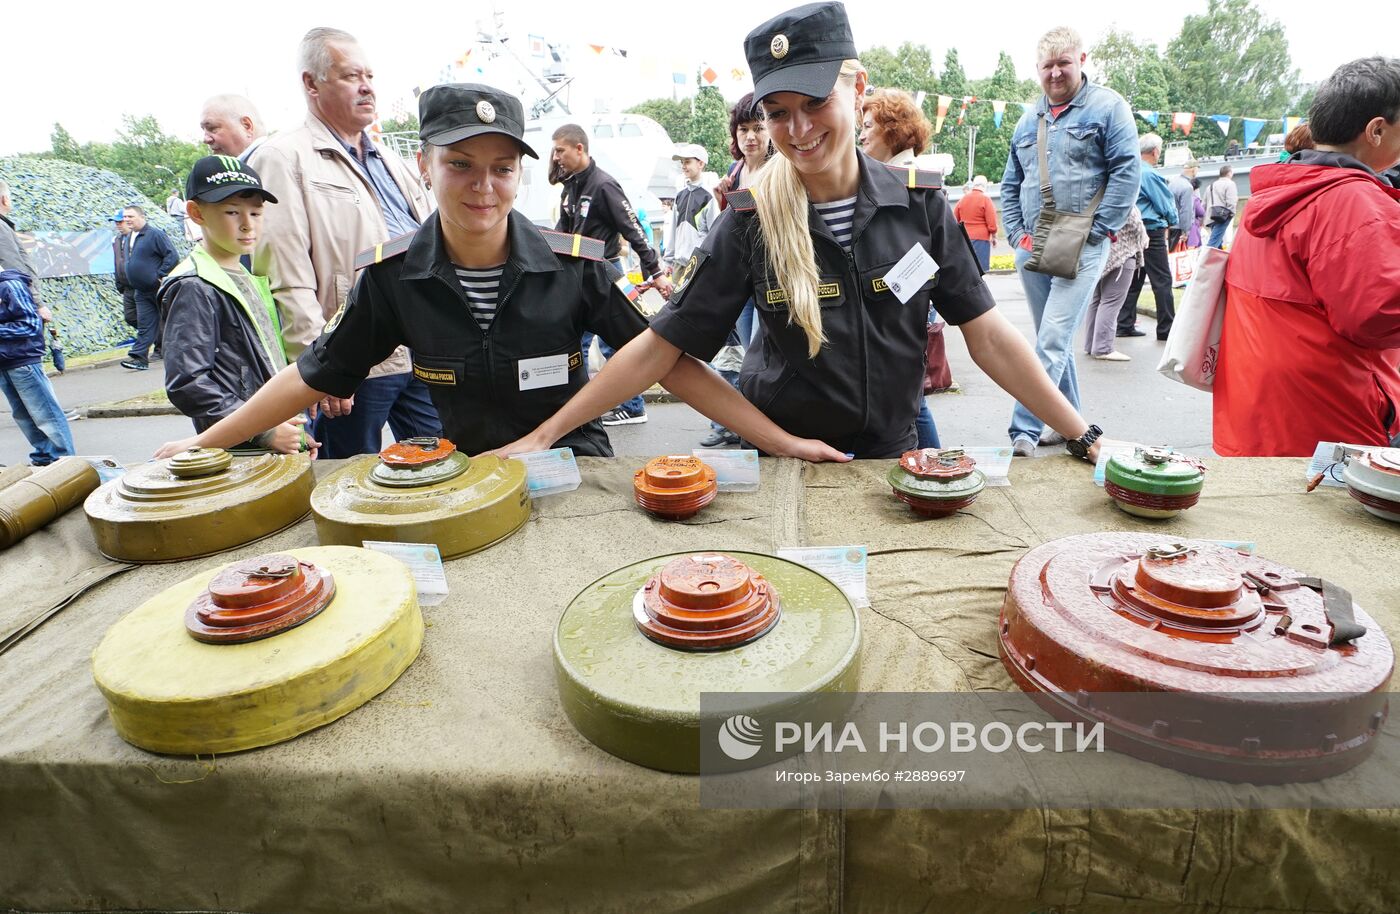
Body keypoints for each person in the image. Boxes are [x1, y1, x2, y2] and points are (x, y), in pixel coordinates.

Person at [489, 2, 1108, 466]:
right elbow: (663, 351)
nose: (798, 128)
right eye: (778, 112)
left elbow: (991, 338)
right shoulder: (750, 219)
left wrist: (1083, 435)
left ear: (857, 89)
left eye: (815, 103)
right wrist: (544, 437)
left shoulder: (918, 206)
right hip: (783, 460)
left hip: (894, 456)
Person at [154, 84, 701, 463]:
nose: (483, 187)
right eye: (459, 164)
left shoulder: (576, 267)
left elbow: (664, 356)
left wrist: (780, 440)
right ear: (424, 164)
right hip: (471, 472)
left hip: (576, 468)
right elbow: (313, 373)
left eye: (502, 169)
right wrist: (203, 444)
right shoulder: (393, 278)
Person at [249, 27, 440, 458]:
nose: (367, 86)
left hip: (419, 350)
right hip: (354, 358)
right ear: (311, 83)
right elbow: (286, 272)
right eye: (351, 76)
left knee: (439, 461)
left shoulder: (390, 159)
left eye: (369, 75)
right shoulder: (282, 157)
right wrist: (323, 368)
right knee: (345, 479)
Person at [1214, 56, 1400, 457]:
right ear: (1377, 130)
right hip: (1327, 422)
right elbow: (1376, 315)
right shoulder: (1354, 201)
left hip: (1260, 414)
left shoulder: (1276, 189)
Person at [1001, 26, 1138, 456]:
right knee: (1051, 340)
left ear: (1082, 60)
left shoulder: (1108, 107)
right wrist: (1018, 235)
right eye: (1048, 66)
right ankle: (1070, 424)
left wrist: (1097, 231)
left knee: (1052, 339)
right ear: (1037, 70)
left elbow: (1127, 172)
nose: (1056, 73)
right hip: (1033, 244)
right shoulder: (1028, 119)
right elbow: (1009, 185)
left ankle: (1023, 429)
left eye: (1064, 62)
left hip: (1082, 242)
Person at [158, 156, 308, 455]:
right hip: (240, 449)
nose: (247, 225)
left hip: (272, 437)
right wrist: (265, 431)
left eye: (256, 213)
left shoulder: (246, 276)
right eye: (231, 212)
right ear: (196, 213)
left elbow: (266, 359)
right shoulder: (193, 285)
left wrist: (295, 431)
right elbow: (187, 382)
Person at [553, 123, 674, 427]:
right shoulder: (571, 186)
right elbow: (562, 233)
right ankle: (575, 408)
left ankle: (632, 407)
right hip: (576, 275)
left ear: (579, 148)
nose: (555, 157)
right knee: (573, 343)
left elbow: (633, 231)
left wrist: (656, 272)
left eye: (560, 150)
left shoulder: (603, 185)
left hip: (605, 273)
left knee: (614, 343)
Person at [858, 86, 945, 449]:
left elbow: (927, 256)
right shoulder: (886, 174)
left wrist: (884, 291)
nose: (860, 134)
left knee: (910, 397)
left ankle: (936, 464)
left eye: (868, 126)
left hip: (903, 306)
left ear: (893, 129)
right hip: (898, 303)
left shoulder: (911, 179)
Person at [0, 180, 74, 465]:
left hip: (19, 352)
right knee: (21, 410)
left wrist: (38, 302)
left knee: (41, 408)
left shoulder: (10, 282)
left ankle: (62, 460)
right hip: (6, 355)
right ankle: (44, 456)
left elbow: (19, 271)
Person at [714, 92, 770, 347]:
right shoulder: (734, 172)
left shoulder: (781, 168)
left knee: (764, 344)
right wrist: (722, 200)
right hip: (740, 273)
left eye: (758, 128)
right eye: (743, 129)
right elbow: (732, 225)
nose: (750, 137)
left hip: (771, 274)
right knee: (748, 348)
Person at [1116, 133, 1178, 341]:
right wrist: (1173, 220)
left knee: (1133, 279)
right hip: (1152, 229)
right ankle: (1166, 328)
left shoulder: (1129, 170)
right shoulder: (1150, 174)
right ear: (1155, 152)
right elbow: (1165, 205)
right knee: (1162, 280)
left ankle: (1124, 323)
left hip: (1131, 230)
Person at [1082, 204, 1146, 361]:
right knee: (1111, 301)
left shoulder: (1099, 193)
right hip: (1122, 254)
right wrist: (1144, 238)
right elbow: (1135, 224)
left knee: (1097, 300)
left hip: (1100, 253)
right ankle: (1103, 348)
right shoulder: (1124, 195)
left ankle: (1092, 344)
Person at [118, 205, 177, 371]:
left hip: (157, 288)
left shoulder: (154, 234)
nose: (127, 219)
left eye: (131, 216)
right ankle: (139, 357)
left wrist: (160, 274)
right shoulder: (130, 237)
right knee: (145, 324)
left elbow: (172, 255)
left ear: (142, 217)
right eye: (125, 217)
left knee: (172, 320)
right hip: (141, 291)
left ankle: (182, 351)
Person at [200, 94, 268, 162]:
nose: (205, 139)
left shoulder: (270, 159)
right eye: (204, 130)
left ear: (246, 126)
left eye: (212, 128)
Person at [954, 175, 998, 273]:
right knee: (979, 270)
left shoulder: (963, 199)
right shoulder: (985, 199)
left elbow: (954, 218)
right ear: (985, 186)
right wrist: (994, 237)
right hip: (981, 239)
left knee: (967, 269)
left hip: (964, 238)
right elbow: (992, 224)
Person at [110, 210, 137, 327]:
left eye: (120, 222)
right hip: (127, 287)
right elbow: (117, 262)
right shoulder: (117, 240)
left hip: (140, 285)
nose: (118, 225)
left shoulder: (139, 238)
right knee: (130, 317)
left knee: (146, 316)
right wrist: (119, 283)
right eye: (116, 222)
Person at [1166, 159, 1198, 250]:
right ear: (1194, 170)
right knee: (1179, 256)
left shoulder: (1172, 183)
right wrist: (1185, 231)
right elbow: (1186, 210)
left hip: (1170, 224)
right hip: (1180, 226)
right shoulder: (1187, 187)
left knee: (1171, 253)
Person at [1204, 165, 1237, 249]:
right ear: (1229, 173)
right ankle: (1206, 260)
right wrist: (1232, 213)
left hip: (1211, 216)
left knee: (1218, 241)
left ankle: (1218, 261)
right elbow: (1231, 201)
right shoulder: (1230, 184)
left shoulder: (1210, 186)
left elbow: (1204, 204)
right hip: (1223, 217)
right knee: (1213, 243)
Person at [1186, 178, 1205, 248]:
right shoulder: (1194, 198)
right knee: (1193, 247)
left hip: (1178, 226)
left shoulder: (1179, 196)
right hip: (1192, 226)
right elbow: (1201, 212)